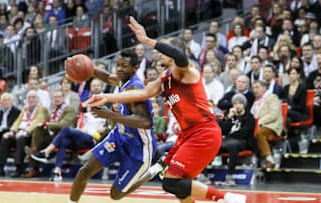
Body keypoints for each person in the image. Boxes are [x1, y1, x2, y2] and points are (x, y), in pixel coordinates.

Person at [83, 16, 246, 203]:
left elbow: (180, 56)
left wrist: (147, 40)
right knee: (179, 187)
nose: (159, 53)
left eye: (164, 50)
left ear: (173, 52)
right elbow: (141, 94)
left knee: (171, 182)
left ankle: (226, 197)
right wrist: (107, 97)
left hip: (204, 133)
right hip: (188, 135)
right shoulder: (164, 80)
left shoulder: (188, 72)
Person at [68, 48, 156, 202]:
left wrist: (109, 114)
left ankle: (154, 170)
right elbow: (108, 77)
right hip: (119, 137)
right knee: (84, 172)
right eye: (118, 65)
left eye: (125, 66)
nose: (120, 69)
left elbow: (145, 122)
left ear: (135, 68)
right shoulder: (123, 79)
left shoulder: (135, 88)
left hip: (139, 147)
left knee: (115, 195)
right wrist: (81, 65)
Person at [218, 94, 257, 186]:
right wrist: (228, 118)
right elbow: (221, 130)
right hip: (227, 141)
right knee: (211, 144)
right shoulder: (229, 115)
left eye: (240, 103)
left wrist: (228, 137)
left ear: (244, 105)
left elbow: (244, 133)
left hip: (243, 142)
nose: (237, 105)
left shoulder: (249, 117)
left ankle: (229, 176)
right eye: (235, 103)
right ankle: (202, 174)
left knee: (232, 145)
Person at [251, 80, 283, 169]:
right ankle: (253, 160)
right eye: (253, 88)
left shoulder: (272, 97)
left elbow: (274, 114)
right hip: (257, 125)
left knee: (260, 132)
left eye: (257, 87)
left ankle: (270, 160)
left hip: (272, 125)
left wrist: (260, 121)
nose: (254, 90)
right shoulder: (256, 100)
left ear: (264, 88)